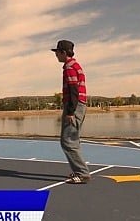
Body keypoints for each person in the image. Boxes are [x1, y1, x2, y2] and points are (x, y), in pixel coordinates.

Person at [51, 40, 90, 184]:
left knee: (67, 141)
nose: (56, 55)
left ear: (64, 52)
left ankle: (82, 173)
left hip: (74, 105)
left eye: (57, 52)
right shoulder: (74, 65)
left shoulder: (69, 67)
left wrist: (70, 112)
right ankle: (80, 171)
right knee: (72, 139)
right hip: (78, 104)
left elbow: (74, 90)